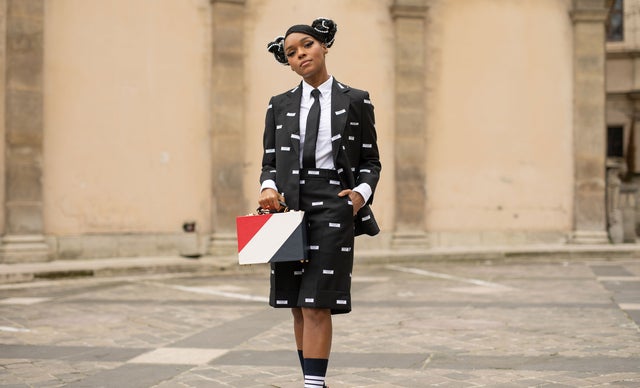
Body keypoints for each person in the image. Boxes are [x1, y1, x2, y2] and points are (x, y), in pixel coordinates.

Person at [259, 17, 381, 387]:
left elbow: (370, 159)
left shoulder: (356, 100)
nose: (300, 55)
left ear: (324, 46)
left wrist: (359, 195)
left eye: (307, 45)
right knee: (296, 303)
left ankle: (314, 385)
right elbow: (269, 159)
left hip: (334, 203)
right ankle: (313, 382)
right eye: (291, 53)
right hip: (288, 206)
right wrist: (267, 186)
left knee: (317, 301)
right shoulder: (279, 104)